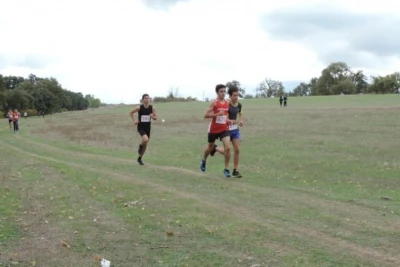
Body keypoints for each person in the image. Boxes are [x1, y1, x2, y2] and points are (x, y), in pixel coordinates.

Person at [208, 86, 243, 178]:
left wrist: (241, 120)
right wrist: (230, 120)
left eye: (237, 95)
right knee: (228, 150)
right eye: (234, 95)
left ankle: (235, 170)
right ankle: (215, 149)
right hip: (226, 129)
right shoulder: (227, 104)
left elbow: (240, 113)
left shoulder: (239, 105)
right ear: (230, 96)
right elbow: (224, 117)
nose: (236, 97)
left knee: (237, 149)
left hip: (235, 130)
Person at [200, 84, 232, 178]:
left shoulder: (227, 102)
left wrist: (228, 121)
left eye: (224, 91)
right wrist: (217, 114)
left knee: (228, 148)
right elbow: (205, 115)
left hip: (224, 128)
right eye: (221, 91)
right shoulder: (214, 102)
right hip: (213, 129)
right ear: (217, 92)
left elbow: (225, 115)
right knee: (209, 148)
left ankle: (226, 169)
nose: (223, 93)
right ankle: (204, 160)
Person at [129, 94, 157, 165]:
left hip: (148, 127)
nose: (147, 100)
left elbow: (155, 118)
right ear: (142, 100)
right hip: (141, 127)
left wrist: (152, 117)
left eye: (148, 98)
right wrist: (134, 120)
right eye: (145, 98)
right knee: (145, 139)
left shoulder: (152, 108)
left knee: (145, 145)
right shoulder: (139, 107)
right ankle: (140, 146)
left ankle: (139, 158)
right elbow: (131, 113)